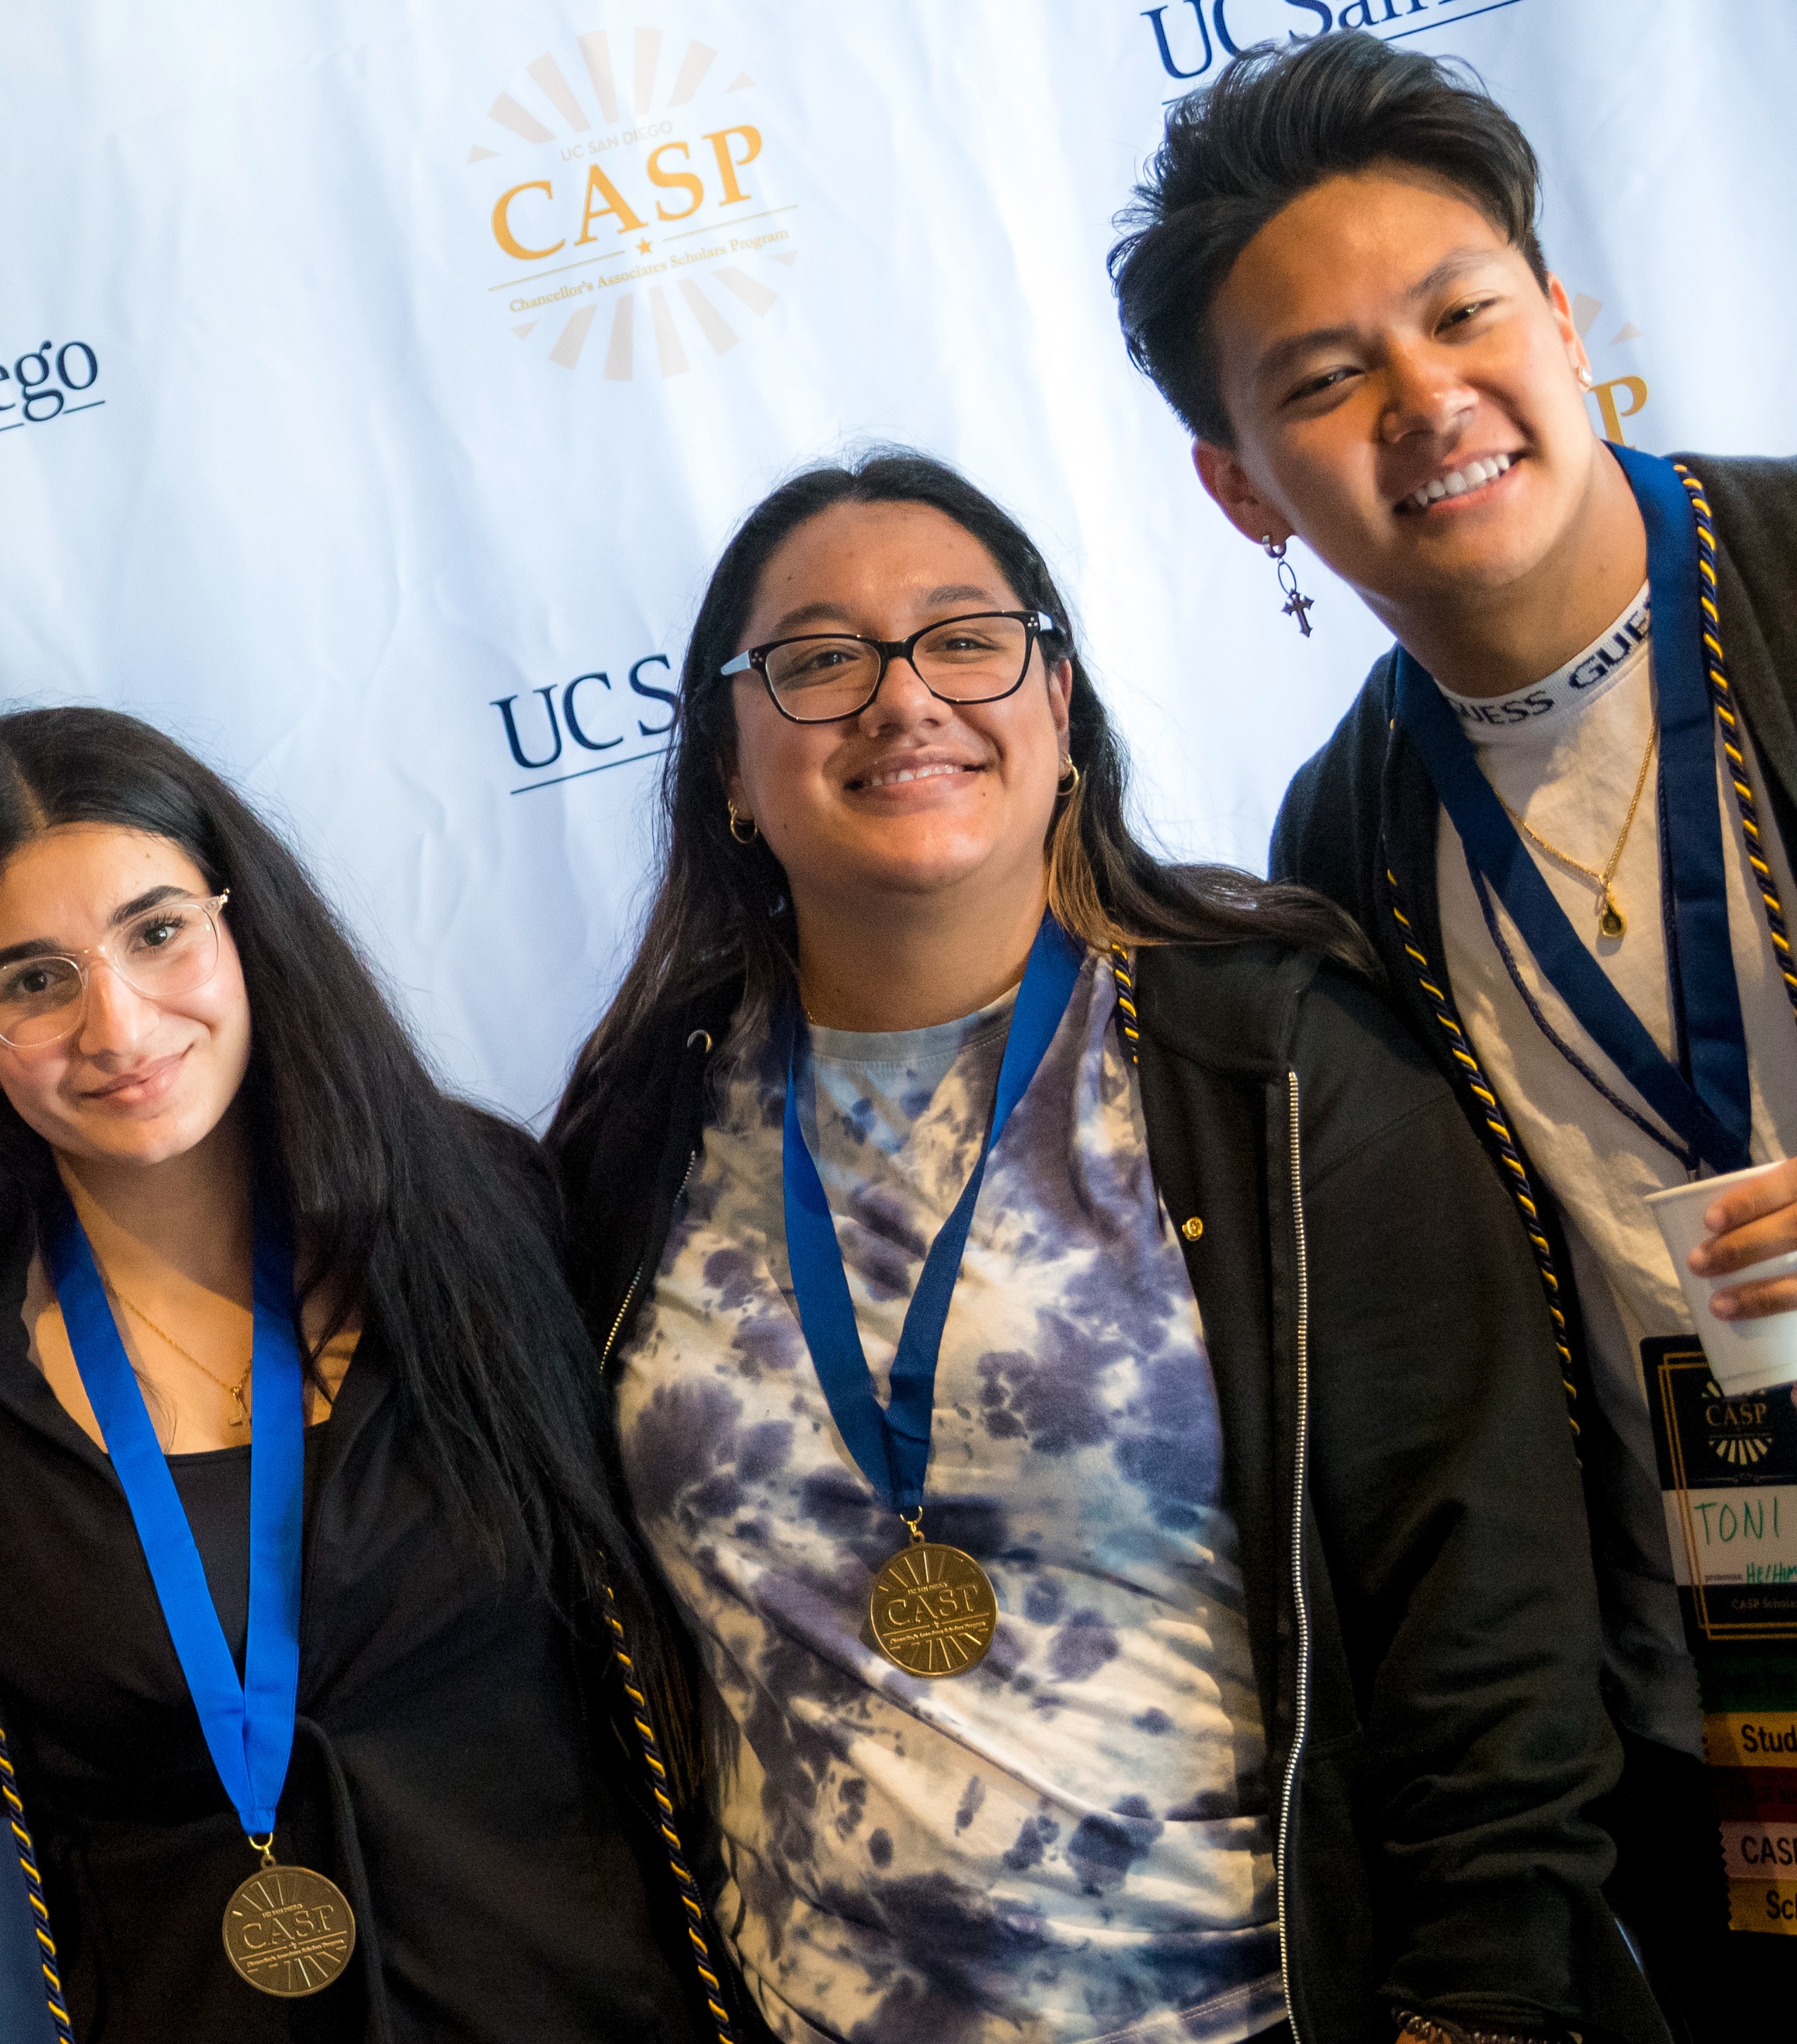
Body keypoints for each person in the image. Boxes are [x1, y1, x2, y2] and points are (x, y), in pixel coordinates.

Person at [547, 452, 1664, 2044]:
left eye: (965, 638)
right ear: (728, 766)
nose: (902, 697)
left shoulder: (1271, 1066)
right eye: (815, 661)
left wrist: (1478, 2008)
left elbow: (1488, 1622)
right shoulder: (633, 1144)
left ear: (1057, 706)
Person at [1109, 35, 1797, 2031]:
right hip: (1731, 1718)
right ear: (1240, 486)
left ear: (1561, 319)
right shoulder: (1343, 842)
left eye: (1462, 313)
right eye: (1323, 381)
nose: (1424, 400)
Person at [0, 705, 740, 2044]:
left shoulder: (481, 1214)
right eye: (31, 979)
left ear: (242, 927)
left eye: (157, 930)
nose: (118, 1023)